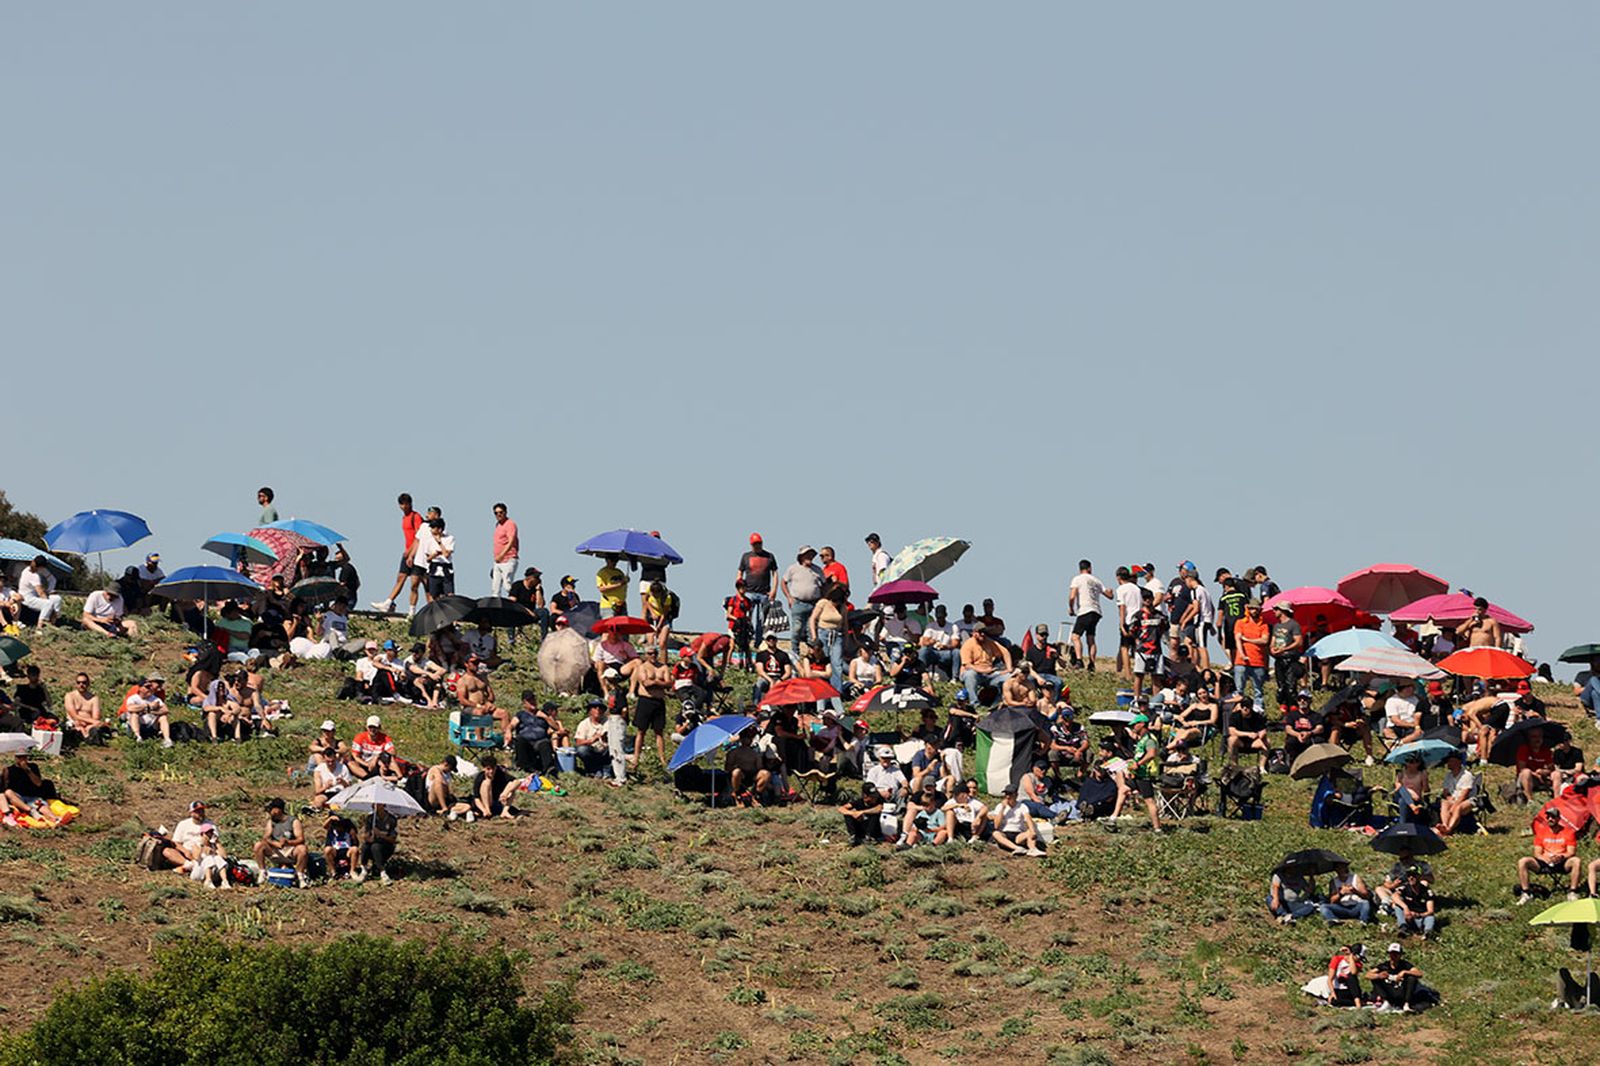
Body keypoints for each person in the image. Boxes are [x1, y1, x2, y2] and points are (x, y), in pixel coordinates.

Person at [1517, 806, 1580, 904]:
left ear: (1558, 819)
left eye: (1553, 817)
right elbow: (1537, 853)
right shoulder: (1541, 832)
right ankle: (1526, 893)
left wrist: (1561, 856)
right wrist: (1545, 858)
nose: (1550, 819)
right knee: (1523, 861)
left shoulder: (1568, 832)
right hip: (1544, 862)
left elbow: (1571, 852)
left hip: (1561, 862)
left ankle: (1573, 892)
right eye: (1548, 817)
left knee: (1576, 861)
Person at [628, 648, 671, 772]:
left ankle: (662, 759)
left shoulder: (663, 667)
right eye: (650, 653)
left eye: (655, 653)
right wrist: (660, 682)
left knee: (659, 731)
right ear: (646, 655)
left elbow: (669, 683)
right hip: (645, 700)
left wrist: (656, 682)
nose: (653, 656)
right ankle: (635, 758)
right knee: (641, 731)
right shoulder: (642, 667)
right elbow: (646, 683)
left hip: (659, 701)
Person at [252, 798, 309, 887]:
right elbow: (266, 837)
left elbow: (301, 839)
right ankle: (262, 872)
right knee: (258, 845)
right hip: (276, 850)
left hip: (290, 850)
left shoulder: (293, 821)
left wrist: (288, 842)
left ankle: (300, 876)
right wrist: (274, 843)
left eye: (271, 809)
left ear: (277, 810)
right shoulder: (271, 822)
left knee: (302, 849)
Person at [781, 546, 824, 660]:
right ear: (801, 557)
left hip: (814, 604)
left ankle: (812, 654)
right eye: (807, 555)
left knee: (811, 631)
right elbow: (783, 582)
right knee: (797, 629)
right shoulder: (793, 568)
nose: (809, 557)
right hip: (798, 602)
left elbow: (824, 585)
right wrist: (789, 597)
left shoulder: (817, 570)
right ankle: (795, 653)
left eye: (811, 555)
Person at [506, 692, 565, 775]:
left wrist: (545, 717)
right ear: (524, 703)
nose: (533, 702)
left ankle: (549, 769)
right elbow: (511, 725)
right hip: (526, 742)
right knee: (520, 740)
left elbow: (556, 727)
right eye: (529, 701)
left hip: (539, 741)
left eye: (533, 699)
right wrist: (508, 731)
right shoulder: (521, 714)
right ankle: (524, 767)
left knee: (544, 743)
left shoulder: (543, 714)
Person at [1067, 560, 1111, 670]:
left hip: (1085, 610)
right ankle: (1091, 664)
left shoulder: (1077, 579)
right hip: (1096, 611)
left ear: (1080, 568)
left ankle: (1079, 660)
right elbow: (1109, 595)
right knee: (1090, 638)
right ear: (1089, 568)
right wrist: (1111, 591)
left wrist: (1071, 608)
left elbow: (1072, 596)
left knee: (1075, 637)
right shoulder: (1096, 580)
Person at [736, 534, 778, 645]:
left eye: (759, 543)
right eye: (755, 544)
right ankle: (745, 641)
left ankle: (758, 643)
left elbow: (775, 573)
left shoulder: (769, 556)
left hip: (764, 593)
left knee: (762, 620)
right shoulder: (746, 556)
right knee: (746, 618)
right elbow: (740, 572)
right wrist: (738, 589)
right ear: (751, 545)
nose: (757, 546)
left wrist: (774, 590)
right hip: (749, 592)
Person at [959, 624, 1013, 706]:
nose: (983, 634)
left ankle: (998, 703)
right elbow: (967, 665)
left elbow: (1005, 652)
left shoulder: (990, 642)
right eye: (980, 632)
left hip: (990, 674)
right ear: (974, 633)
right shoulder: (968, 645)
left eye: (984, 632)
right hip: (975, 673)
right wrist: (984, 671)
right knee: (970, 674)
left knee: (1009, 677)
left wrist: (1009, 668)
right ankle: (974, 703)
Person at [809, 584, 849, 693]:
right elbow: (813, 619)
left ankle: (837, 691)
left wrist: (846, 641)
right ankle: (823, 690)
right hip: (823, 633)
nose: (836, 604)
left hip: (837, 635)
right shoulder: (823, 603)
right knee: (824, 662)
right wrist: (814, 637)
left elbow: (845, 625)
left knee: (837, 664)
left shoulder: (842, 608)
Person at [989, 785, 1046, 857]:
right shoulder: (1000, 806)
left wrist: (1032, 830)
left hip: (1018, 834)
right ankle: (1016, 848)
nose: (1008, 797)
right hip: (1005, 833)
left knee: (1030, 831)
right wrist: (1003, 809)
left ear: (1016, 795)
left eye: (1010, 794)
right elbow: (996, 825)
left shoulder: (1022, 806)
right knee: (996, 834)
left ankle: (1032, 849)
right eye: (1006, 794)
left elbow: (1028, 818)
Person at [1370, 944, 1424, 1012]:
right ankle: (1386, 1002)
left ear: (1400, 955)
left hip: (1402, 991)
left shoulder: (1405, 965)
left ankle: (1406, 1004)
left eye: (1396, 954)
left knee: (1411, 978)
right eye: (1392, 954)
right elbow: (1368, 974)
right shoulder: (1384, 965)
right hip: (1389, 991)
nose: (1393, 956)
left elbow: (1419, 973)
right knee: (1375, 978)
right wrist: (1379, 975)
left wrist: (1405, 972)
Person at [125, 674, 175, 747]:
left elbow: (165, 710)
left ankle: (167, 739)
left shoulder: (155, 699)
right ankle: (137, 737)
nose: (150, 689)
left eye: (150, 687)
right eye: (147, 687)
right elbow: (130, 708)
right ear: (140, 688)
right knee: (134, 714)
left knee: (163, 717)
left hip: (151, 724)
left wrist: (150, 710)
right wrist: (148, 706)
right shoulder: (133, 698)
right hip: (138, 723)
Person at [1434, 751, 1476, 836]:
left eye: (1451, 761)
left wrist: (1454, 805)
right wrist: (1449, 798)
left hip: (1467, 800)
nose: (1448, 764)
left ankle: (1449, 829)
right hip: (1453, 798)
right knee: (1444, 803)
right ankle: (1445, 825)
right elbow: (1445, 792)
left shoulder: (1467, 776)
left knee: (1458, 808)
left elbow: (1465, 794)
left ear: (1458, 762)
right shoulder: (1448, 776)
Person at [355, 803, 399, 884]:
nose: (374, 806)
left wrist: (380, 834)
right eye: (373, 804)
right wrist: (367, 836)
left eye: (377, 804)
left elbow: (393, 839)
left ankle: (383, 872)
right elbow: (366, 835)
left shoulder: (392, 819)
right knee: (365, 846)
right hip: (372, 845)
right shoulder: (370, 818)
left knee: (376, 847)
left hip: (386, 846)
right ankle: (364, 869)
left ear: (383, 805)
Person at [917, 604, 961, 681]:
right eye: (938, 617)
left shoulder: (953, 627)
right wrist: (931, 642)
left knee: (956, 652)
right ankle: (921, 675)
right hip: (933, 651)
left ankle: (955, 678)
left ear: (946, 615)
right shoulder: (930, 626)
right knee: (923, 650)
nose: (939, 619)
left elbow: (955, 643)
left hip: (946, 652)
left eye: (941, 617)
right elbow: (924, 642)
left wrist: (946, 646)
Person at [1390, 866, 1437, 937]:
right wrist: (1406, 908)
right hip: (1408, 917)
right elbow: (1394, 896)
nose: (1411, 878)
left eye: (1414, 875)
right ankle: (1403, 927)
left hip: (1420, 917)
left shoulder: (1426, 891)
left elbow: (1430, 910)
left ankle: (1428, 932)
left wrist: (1418, 914)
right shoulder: (1405, 887)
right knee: (1398, 906)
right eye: (1409, 875)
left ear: (1419, 876)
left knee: (1430, 917)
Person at [17, 557, 62, 627]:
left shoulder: (27, 569)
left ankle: (53, 622)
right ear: (41, 567)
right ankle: (40, 626)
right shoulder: (34, 576)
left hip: (34, 595)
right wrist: (51, 607)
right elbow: (41, 593)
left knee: (57, 599)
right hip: (27, 598)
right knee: (48, 603)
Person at [1515, 725, 1556, 804]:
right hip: (1526, 777)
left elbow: (1551, 769)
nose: (1537, 739)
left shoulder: (1546, 750)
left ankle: (1557, 799)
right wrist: (1536, 774)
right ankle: (1530, 800)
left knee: (1556, 774)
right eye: (1534, 737)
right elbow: (1521, 769)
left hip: (1542, 778)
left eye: (1539, 736)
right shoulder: (1523, 749)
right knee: (1526, 772)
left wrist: (1543, 771)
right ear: (1529, 738)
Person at [63, 672, 108, 742]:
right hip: (75, 723)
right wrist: (93, 722)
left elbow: (96, 716)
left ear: (88, 683)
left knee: (96, 728)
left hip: (89, 725)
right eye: (78, 682)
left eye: (84, 682)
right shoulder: (70, 696)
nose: (81, 685)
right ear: (75, 684)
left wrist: (89, 725)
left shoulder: (94, 698)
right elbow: (74, 715)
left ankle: (89, 737)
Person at [488, 502, 520, 598]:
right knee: (495, 586)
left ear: (505, 512)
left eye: (501, 512)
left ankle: (516, 601)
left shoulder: (510, 524)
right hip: (498, 560)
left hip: (508, 558)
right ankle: (495, 606)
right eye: (496, 513)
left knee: (507, 584)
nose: (498, 515)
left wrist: (502, 555)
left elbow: (511, 542)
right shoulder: (498, 525)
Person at [349, 716, 396, 780]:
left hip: (378, 765)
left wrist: (377, 757)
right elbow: (355, 756)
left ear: (379, 727)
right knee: (351, 764)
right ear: (366, 727)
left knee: (392, 760)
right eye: (370, 727)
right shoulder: (359, 737)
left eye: (375, 727)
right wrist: (367, 764)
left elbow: (392, 752)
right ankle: (368, 778)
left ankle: (398, 777)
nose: (372, 729)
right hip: (363, 763)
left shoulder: (385, 738)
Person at [1227, 699, 1269, 770]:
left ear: (1251, 707)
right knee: (1231, 739)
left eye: (1247, 706)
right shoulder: (1235, 716)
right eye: (1243, 706)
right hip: (1240, 741)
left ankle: (1262, 767)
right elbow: (1232, 731)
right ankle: (1234, 766)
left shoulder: (1257, 716)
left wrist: (1260, 735)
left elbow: (1263, 730)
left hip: (1254, 742)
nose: (1245, 708)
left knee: (1267, 741)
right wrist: (1248, 734)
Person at [422, 516, 456, 600]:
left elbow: (446, 554)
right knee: (434, 596)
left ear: (440, 529)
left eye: (433, 528)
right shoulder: (429, 540)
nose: (431, 530)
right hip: (434, 570)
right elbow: (428, 558)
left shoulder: (449, 538)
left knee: (449, 595)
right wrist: (435, 554)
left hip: (446, 570)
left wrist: (439, 542)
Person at [572, 699, 609, 775]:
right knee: (582, 750)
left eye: (600, 708)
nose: (598, 710)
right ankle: (592, 769)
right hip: (591, 750)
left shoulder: (608, 722)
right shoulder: (584, 724)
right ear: (590, 711)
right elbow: (578, 742)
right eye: (595, 707)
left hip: (605, 749)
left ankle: (607, 770)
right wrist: (591, 740)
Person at [509, 567, 549, 636]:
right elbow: (512, 602)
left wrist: (538, 590)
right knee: (510, 613)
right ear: (529, 578)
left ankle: (544, 637)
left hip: (532, 612)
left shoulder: (537, 588)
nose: (538, 579)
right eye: (536, 577)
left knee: (544, 612)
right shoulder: (517, 585)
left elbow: (540, 605)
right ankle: (511, 638)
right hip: (519, 611)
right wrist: (526, 611)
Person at [1393, 754, 1430, 826]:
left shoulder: (1421, 774)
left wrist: (1425, 780)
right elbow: (1398, 788)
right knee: (1402, 788)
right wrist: (1410, 793)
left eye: (1412, 762)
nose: (1409, 764)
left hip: (1415, 799)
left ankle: (1402, 824)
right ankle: (1413, 806)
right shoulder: (1401, 773)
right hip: (1400, 795)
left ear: (1418, 763)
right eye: (1407, 761)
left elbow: (1426, 790)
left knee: (1402, 801)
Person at [1327, 943, 1368, 1008]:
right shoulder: (1337, 960)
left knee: (1351, 977)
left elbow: (1353, 972)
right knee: (1335, 1001)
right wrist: (1332, 993)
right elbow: (1330, 979)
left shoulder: (1357, 964)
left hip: (1352, 990)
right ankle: (1358, 1001)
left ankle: (1358, 1002)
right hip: (1339, 989)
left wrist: (1351, 958)